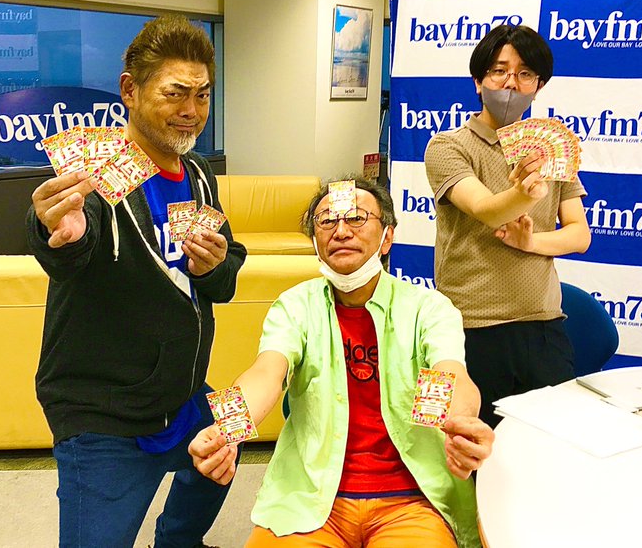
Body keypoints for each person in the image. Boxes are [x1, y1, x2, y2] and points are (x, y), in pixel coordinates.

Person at [26, 15, 246, 547]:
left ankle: (178, 540)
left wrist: (216, 266)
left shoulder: (197, 173)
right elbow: (70, 244)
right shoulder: (96, 172)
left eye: (202, 95)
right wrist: (59, 234)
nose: (191, 110)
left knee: (234, 425)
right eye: (175, 93)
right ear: (130, 90)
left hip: (184, 390)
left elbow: (224, 277)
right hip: (105, 414)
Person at [189, 179, 494, 548]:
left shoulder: (426, 308)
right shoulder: (296, 305)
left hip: (411, 500)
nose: (342, 231)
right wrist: (227, 429)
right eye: (327, 221)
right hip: (310, 496)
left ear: (387, 236)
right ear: (315, 241)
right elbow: (267, 372)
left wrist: (461, 423)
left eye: (356, 218)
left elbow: (449, 372)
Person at [424, 24, 591, 429]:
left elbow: (579, 235)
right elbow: (486, 209)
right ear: (478, 81)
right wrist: (524, 193)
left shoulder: (552, 148)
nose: (511, 84)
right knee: (458, 445)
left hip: (544, 326)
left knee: (549, 445)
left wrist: (529, 241)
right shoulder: (447, 146)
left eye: (525, 74)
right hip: (467, 328)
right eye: (499, 71)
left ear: (539, 86)